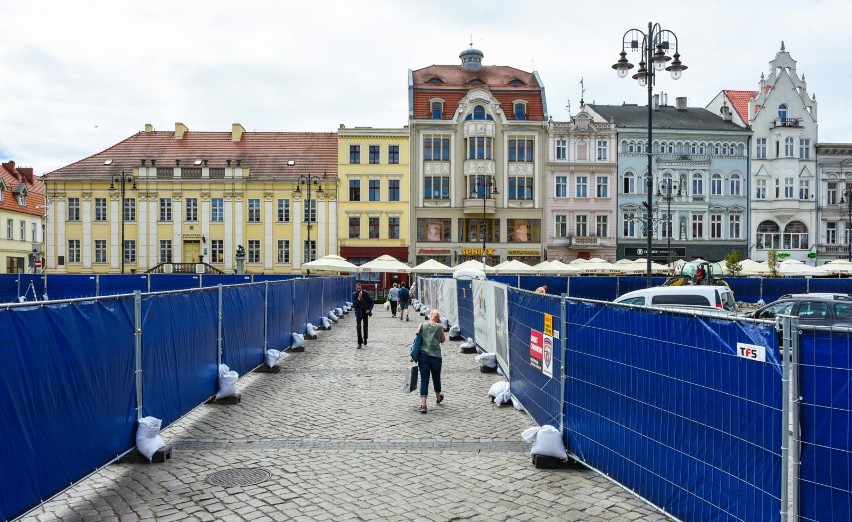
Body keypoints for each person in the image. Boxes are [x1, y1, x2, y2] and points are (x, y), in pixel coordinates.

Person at [411, 309, 446, 414]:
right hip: (435, 356)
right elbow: (442, 340)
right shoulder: (440, 327)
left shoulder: (422, 325)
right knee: (436, 377)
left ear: (429, 316)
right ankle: (438, 397)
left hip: (423, 356)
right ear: (438, 318)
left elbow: (417, 338)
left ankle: (423, 404)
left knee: (424, 380)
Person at [351, 283, 374, 349]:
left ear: (361, 288)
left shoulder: (365, 293)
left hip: (365, 312)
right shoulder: (354, 295)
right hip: (358, 313)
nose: (358, 289)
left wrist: (369, 309)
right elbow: (354, 305)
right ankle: (359, 343)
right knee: (358, 327)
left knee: (365, 326)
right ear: (356, 288)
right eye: (357, 288)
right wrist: (359, 298)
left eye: (359, 288)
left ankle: (365, 338)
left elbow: (371, 302)